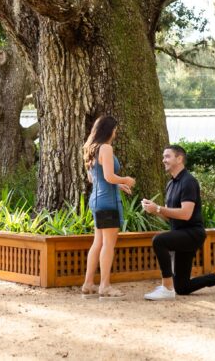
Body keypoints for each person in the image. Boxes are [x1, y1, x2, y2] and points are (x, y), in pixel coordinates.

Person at [141, 145, 215, 300]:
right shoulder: (171, 183)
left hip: (193, 234)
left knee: (159, 241)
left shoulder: (188, 181)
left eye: (167, 156)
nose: (163, 160)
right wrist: (154, 210)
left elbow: (186, 214)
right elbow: (170, 216)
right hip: (180, 234)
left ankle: (167, 288)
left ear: (179, 159)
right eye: (163, 157)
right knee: (182, 287)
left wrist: (158, 208)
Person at [81, 115, 136, 299]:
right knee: (108, 244)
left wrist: (117, 185)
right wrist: (125, 180)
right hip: (108, 202)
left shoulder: (90, 149)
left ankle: (88, 283)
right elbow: (109, 177)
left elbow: (93, 178)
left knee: (97, 242)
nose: (116, 132)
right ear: (109, 130)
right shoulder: (105, 148)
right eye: (115, 129)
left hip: (96, 200)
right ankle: (104, 286)